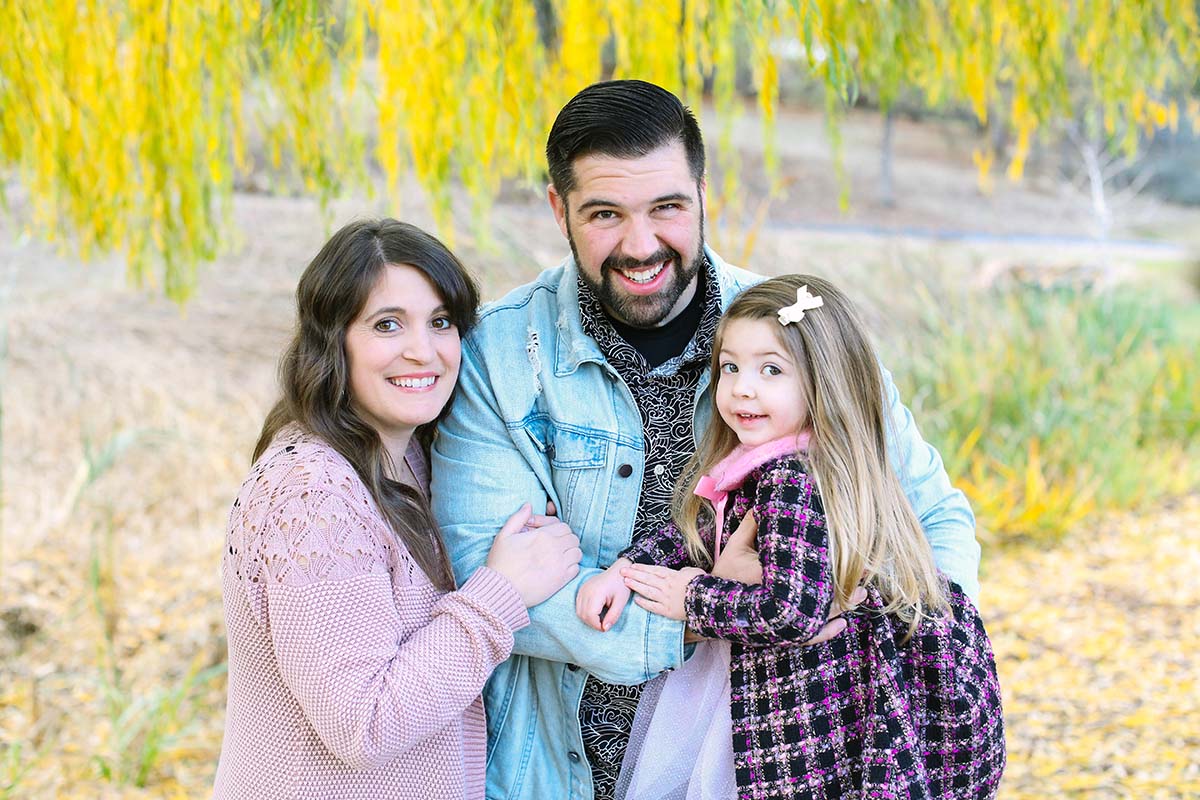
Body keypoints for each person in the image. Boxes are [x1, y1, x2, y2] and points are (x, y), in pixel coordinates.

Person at [431, 80, 982, 800]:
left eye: (667, 207)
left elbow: (931, 515)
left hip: (785, 756)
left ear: (701, 192)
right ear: (559, 209)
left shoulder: (801, 331)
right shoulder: (500, 357)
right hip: (561, 769)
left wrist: (895, 642)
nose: (641, 245)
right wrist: (693, 612)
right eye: (605, 214)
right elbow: (487, 576)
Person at [578, 274, 1005, 799]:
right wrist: (625, 570)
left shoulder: (794, 476)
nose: (743, 387)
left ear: (822, 382)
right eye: (730, 367)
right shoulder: (766, 461)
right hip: (779, 691)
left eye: (771, 370)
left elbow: (791, 612)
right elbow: (701, 533)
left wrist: (691, 598)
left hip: (802, 703)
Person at [213, 218, 582, 800]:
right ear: (332, 341)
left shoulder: (410, 457)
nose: (422, 350)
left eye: (441, 322)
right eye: (387, 324)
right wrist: (500, 593)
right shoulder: (311, 494)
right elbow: (364, 725)